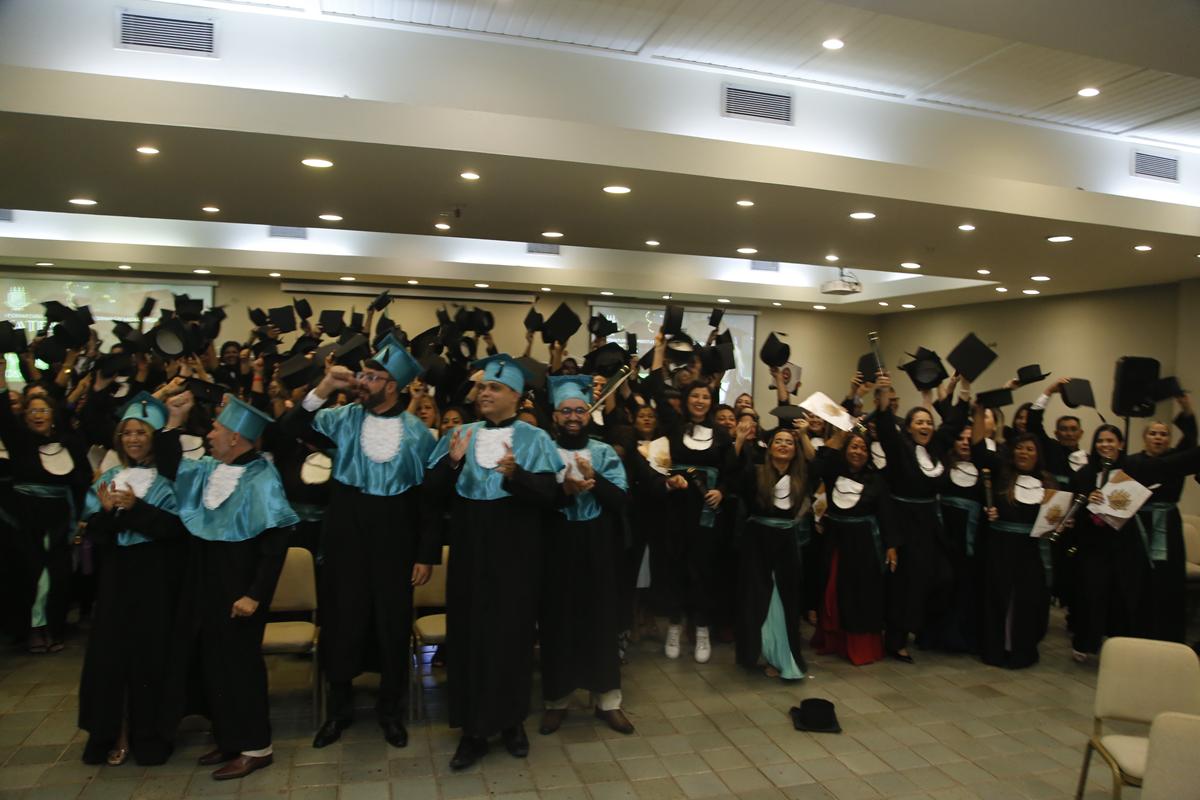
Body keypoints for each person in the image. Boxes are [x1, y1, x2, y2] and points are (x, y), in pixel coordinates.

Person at [284, 336, 438, 749]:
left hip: (396, 542)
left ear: (393, 386)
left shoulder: (419, 434)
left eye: (372, 377)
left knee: (392, 626)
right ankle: (339, 711)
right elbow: (290, 429)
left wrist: (425, 555)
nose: (362, 382)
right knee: (341, 623)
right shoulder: (343, 418)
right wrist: (323, 387)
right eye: (363, 375)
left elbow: (428, 503)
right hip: (345, 538)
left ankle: (391, 712)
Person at [424, 354, 563, 771]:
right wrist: (452, 463)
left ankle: (511, 724)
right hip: (470, 553)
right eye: (483, 387)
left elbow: (551, 498)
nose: (484, 393)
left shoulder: (535, 438)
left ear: (515, 396)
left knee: (512, 639)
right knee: (468, 638)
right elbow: (430, 494)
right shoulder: (461, 434)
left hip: (516, 555)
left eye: (494, 388)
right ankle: (472, 732)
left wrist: (517, 475)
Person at [158, 391, 299, 781]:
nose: (210, 434)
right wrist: (173, 423)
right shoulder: (211, 469)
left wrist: (254, 594)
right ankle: (229, 737)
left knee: (240, 667)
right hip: (208, 581)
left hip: (241, 588)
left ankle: (256, 747)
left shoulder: (263, 477)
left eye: (217, 429)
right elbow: (170, 467)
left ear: (236, 436)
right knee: (213, 664)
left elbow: (275, 546)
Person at [78, 392, 188, 766]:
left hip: (155, 576)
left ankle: (148, 734)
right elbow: (95, 534)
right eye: (127, 433)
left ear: (154, 437)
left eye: (141, 432)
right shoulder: (110, 477)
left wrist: (137, 510)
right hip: (116, 577)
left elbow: (177, 530)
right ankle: (113, 732)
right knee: (111, 657)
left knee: (150, 656)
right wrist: (107, 513)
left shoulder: (169, 480)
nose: (133, 439)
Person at [538, 375, 634, 736]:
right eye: (566, 411)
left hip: (598, 545)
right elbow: (535, 500)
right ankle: (556, 701)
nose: (573, 417)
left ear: (589, 414)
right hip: (556, 545)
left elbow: (621, 500)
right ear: (555, 416)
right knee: (557, 622)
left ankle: (608, 702)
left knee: (601, 622)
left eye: (580, 410)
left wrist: (596, 480)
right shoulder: (543, 450)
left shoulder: (604, 452)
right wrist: (564, 491)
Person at [1068, 424, 1200, 661]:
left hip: (1132, 541)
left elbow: (1177, 460)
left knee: (1130, 593)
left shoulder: (1137, 468)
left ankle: (1127, 642)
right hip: (1100, 542)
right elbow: (1076, 509)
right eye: (1100, 441)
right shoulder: (1089, 472)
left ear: (1120, 444)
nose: (1105, 445)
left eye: (1111, 440)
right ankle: (1089, 642)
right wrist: (1090, 500)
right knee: (1096, 593)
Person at [872, 372, 963, 662]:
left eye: (928, 422)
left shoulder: (934, 449)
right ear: (908, 427)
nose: (925, 426)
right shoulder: (900, 450)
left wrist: (964, 388)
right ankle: (895, 640)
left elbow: (955, 424)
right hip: (904, 524)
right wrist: (883, 393)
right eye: (919, 422)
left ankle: (924, 630)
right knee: (905, 585)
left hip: (930, 525)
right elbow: (885, 427)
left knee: (943, 577)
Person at [0, 373, 91, 654]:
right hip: (26, 520)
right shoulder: (19, 443)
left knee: (58, 576)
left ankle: (52, 627)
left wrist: (82, 518)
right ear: (25, 417)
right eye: (32, 411)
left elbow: (82, 480)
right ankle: (32, 629)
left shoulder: (69, 443)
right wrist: (2, 380)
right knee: (31, 574)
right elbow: (4, 419)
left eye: (43, 410)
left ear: (53, 415)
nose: (38, 415)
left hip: (60, 519)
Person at [973, 424, 1057, 669]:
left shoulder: (1048, 482)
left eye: (1030, 449)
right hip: (1001, 548)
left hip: (1031, 551)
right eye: (1020, 448)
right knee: (999, 598)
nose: (1024, 453)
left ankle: (1021, 650)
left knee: (1026, 601)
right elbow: (978, 449)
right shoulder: (1002, 476)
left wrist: (1061, 522)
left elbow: (1052, 521)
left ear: (1038, 454)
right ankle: (996, 649)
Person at [810, 429, 895, 665]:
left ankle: (860, 646)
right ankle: (833, 640)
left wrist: (891, 545)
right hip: (836, 543)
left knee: (861, 595)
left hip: (864, 546)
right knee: (832, 590)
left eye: (863, 448)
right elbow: (816, 467)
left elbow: (886, 514)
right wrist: (837, 438)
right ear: (845, 450)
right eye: (854, 447)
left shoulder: (877, 480)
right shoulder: (833, 473)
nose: (858, 452)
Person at [735, 426, 810, 679]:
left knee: (786, 600)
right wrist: (739, 442)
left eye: (789, 442)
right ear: (770, 447)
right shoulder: (755, 473)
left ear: (795, 450)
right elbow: (734, 479)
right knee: (757, 597)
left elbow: (823, 463)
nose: (784, 445)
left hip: (786, 544)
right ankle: (757, 654)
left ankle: (782, 657)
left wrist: (805, 435)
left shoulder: (801, 477)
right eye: (779, 441)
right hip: (757, 543)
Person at [1125, 395, 1196, 643]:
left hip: (1168, 525)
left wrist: (1186, 408)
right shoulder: (1132, 462)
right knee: (1139, 578)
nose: (1158, 438)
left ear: (1169, 439)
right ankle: (1136, 634)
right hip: (1139, 526)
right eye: (1153, 433)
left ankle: (1168, 635)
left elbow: (1191, 441)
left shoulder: (1177, 460)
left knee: (1168, 579)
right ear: (1145, 437)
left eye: (1164, 434)